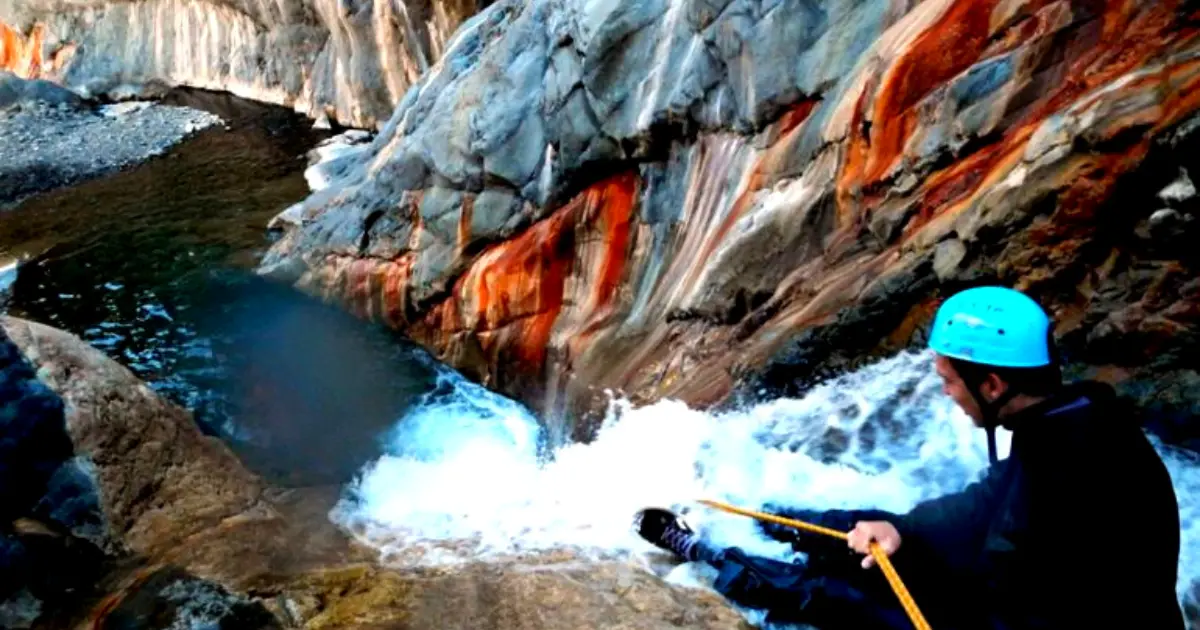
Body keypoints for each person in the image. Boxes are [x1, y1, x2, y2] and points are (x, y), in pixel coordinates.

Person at [634, 286, 1185, 629]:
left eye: (949, 380)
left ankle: (703, 550)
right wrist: (903, 530)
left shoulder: (1068, 463)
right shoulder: (1073, 421)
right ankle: (758, 514)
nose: (945, 391)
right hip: (1033, 601)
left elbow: (1025, 580)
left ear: (991, 384)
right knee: (863, 535)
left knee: (835, 597)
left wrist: (907, 568)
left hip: (1032, 616)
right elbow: (983, 507)